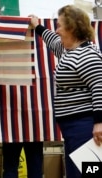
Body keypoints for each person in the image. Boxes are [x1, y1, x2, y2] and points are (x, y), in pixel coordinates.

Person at [29, 5, 102, 178]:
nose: (57, 29)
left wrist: (100, 123)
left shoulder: (87, 55)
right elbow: (53, 41)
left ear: (72, 27)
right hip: (71, 127)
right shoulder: (69, 52)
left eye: (60, 25)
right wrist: (37, 26)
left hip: (84, 126)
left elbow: (99, 88)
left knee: (87, 172)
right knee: (76, 173)